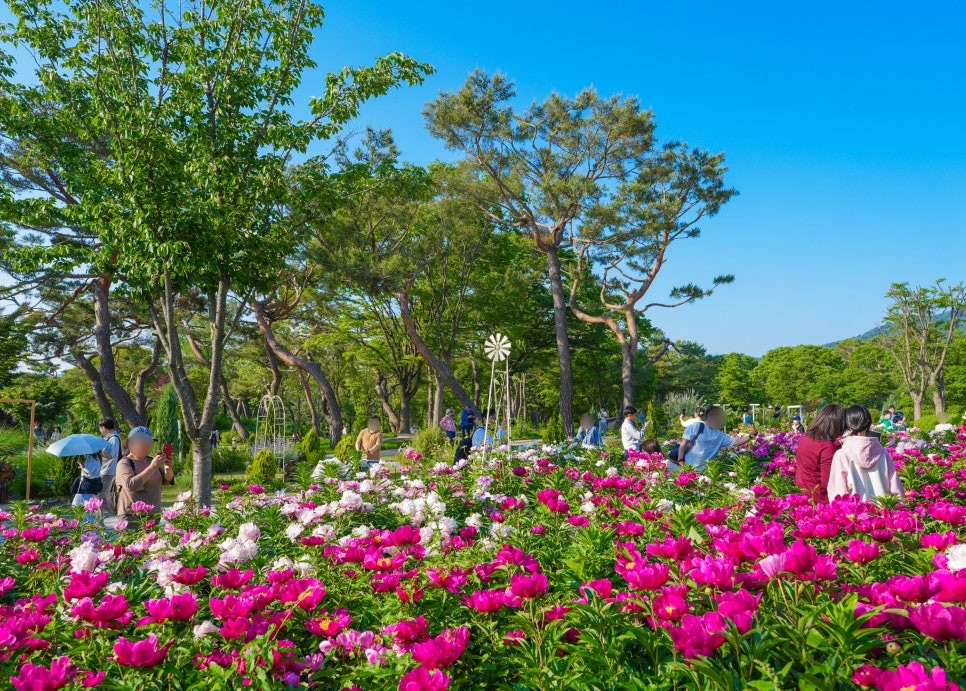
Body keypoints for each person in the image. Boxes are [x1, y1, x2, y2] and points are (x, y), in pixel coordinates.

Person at [827, 405, 904, 502]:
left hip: (854, 515)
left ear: (847, 426)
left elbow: (837, 494)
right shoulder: (883, 453)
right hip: (881, 513)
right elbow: (897, 491)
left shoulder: (842, 455)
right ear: (869, 424)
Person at [114, 427, 175, 529]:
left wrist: (168, 468)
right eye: (143, 442)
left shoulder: (151, 461)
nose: (147, 445)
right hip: (132, 517)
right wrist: (153, 467)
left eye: (150, 442)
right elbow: (131, 485)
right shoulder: (124, 463)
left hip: (153, 516)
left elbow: (168, 481)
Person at [794, 405, 846, 504]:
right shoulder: (827, 446)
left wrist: (838, 444)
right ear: (837, 425)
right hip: (818, 498)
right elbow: (829, 482)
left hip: (801, 492)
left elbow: (816, 450)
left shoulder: (807, 436)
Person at [675, 406, 752, 472]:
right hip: (688, 467)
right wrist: (681, 461)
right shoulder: (696, 426)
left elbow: (735, 442)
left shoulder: (720, 435)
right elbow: (683, 443)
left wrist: (750, 436)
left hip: (706, 472)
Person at [98, 418, 122, 515]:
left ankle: (118, 514)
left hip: (108, 471)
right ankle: (99, 522)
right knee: (99, 498)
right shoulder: (109, 438)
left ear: (103, 427)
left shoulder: (113, 439)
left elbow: (110, 455)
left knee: (101, 499)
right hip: (106, 471)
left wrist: (99, 452)